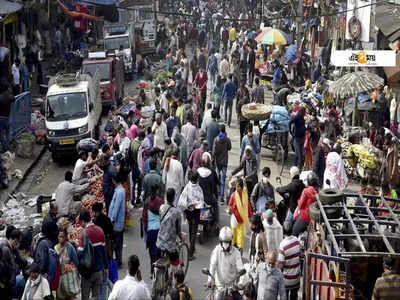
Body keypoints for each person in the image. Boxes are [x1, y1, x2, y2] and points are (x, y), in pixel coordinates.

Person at [77, 210, 108, 300]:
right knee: (96, 296)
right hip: (98, 271)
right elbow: (104, 251)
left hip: (88, 272)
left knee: (85, 296)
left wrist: (76, 246)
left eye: (80, 222)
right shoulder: (100, 231)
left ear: (83, 221)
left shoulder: (84, 234)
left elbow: (79, 253)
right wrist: (106, 267)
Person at [207, 227, 244, 299]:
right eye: (224, 242)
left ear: (231, 241)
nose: (225, 244)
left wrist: (240, 283)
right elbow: (212, 267)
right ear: (220, 241)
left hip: (232, 288)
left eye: (227, 242)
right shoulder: (216, 251)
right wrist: (209, 281)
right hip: (219, 288)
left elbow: (241, 269)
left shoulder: (236, 253)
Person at [179, 171, 205, 260]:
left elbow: (181, 201)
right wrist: (195, 206)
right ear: (197, 179)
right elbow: (201, 201)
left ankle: (192, 248)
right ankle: (190, 253)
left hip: (189, 213)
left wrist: (188, 206)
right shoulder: (199, 189)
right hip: (196, 213)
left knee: (191, 229)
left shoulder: (187, 187)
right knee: (194, 231)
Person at [156, 189, 183, 268]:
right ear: (174, 198)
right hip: (170, 245)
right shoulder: (177, 212)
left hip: (159, 241)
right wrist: (181, 237)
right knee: (176, 263)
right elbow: (178, 231)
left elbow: (160, 221)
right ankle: (176, 277)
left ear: (166, 196)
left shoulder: (161, 208)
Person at [142, 186, 163, 277]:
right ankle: (158, 269)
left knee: (151, 252)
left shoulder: (147, 202)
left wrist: (145, 230)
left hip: (150, 231)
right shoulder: (160, 202)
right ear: (156, 192)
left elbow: (144, 218)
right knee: (159, 251)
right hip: (159, 229)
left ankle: (152, 270)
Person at [228, 179, 253, 252]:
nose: (237, 188)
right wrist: (231, 208)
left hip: (241, 219)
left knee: (240, 236)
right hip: (234, 218)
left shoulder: (245, 195)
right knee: (233, 234)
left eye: (238, 186)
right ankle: (232, 247)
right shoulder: (233, 195)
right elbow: (229, 205)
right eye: (236, 186)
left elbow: (248, 206)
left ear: (242, 187)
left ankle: (239, 250)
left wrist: (250, 216)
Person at [278, 221, 301, 300]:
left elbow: (280, 265)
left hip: (286, 281)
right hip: (296, 279)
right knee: (294, 297)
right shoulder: (297, 241)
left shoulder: (283, 245)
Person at [55, 229, 80, 299]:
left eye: (62, 237)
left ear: (66, 237)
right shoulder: (55, 248)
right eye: (59, 236)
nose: (60, 238)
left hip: (70, 279)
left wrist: (68, 268)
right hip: (60, 279)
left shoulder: (70, 248)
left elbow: (76, 262)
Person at [0, 228, 25, 299]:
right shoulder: (6, 249)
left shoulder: (8, 246)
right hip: (5, 284)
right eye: (19, 241)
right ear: (15, 240)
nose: (19, 244)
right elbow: (11, 268)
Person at [293, 172, 319, 236]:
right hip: (313, 219)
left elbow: (301, 205)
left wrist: (298, 201)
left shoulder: (306, 191)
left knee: (294, 232)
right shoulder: (317, 192)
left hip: (304, 217)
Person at [108, 173, 126, 267]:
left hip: (117, 222)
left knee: (117, 243)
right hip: (118, 221)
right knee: (118, 242)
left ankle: (118, 261)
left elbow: (116, 207)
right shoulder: (119, 190)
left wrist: (112, 219)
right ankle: (118, 259)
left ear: (114, 180)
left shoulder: (119, 192)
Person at [213, 124, 232, 203]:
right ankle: (221, 197)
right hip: (224, 161)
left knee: (217, 177)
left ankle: (216, 194)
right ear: (225, 130)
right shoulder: (227, 139)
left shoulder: (216, 139)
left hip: (218, 161)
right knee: (223, 179)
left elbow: (214, 151)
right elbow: (229, 148)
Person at [0, 83, 14, 153]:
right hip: (7, 117)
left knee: (1, 134)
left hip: (0, 118)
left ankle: (4, 146)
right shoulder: (9, 97)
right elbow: (13, 98)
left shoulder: (0, 97)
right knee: (7, 133)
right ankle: (7, 146)